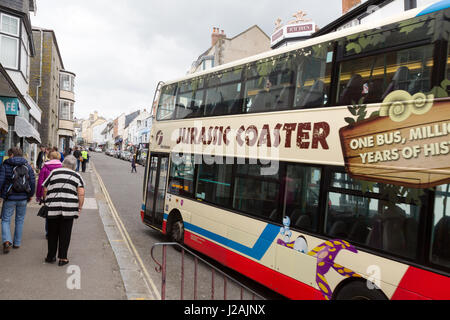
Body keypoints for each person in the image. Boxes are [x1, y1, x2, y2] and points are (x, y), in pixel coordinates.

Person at [42, 155, 85, 266]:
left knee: (52, 233)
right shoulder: (77, 176)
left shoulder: (54, 172)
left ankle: (51, 256)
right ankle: (63, 258)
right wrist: (80, 207)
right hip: (69, 209)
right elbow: (81, 193)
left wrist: (47, 200)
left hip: (53, 207)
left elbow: (45, 187)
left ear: (63, 163)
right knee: (65, 234)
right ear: (74, 166)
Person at [0, 147, 36, 254]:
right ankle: (17, 243)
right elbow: (32, 181)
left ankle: (7, 240)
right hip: (23, 197)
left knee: (6, 219)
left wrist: (1, 195)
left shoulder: (5, 165)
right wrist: (30, 194)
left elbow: (0, 181)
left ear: (11, 155)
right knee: (19, 219)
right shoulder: (28, 166)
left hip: (9, 197)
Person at [36, 151, 63, 239]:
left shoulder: (45, 167)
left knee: (48, 213)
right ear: (59, 158)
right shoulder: (63, 167)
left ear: (50, 157)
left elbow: (40, 182)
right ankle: (57, 232)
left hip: (47, 194)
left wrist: (38, 195)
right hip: (60, 193)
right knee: (59, 213)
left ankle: (48, 233)